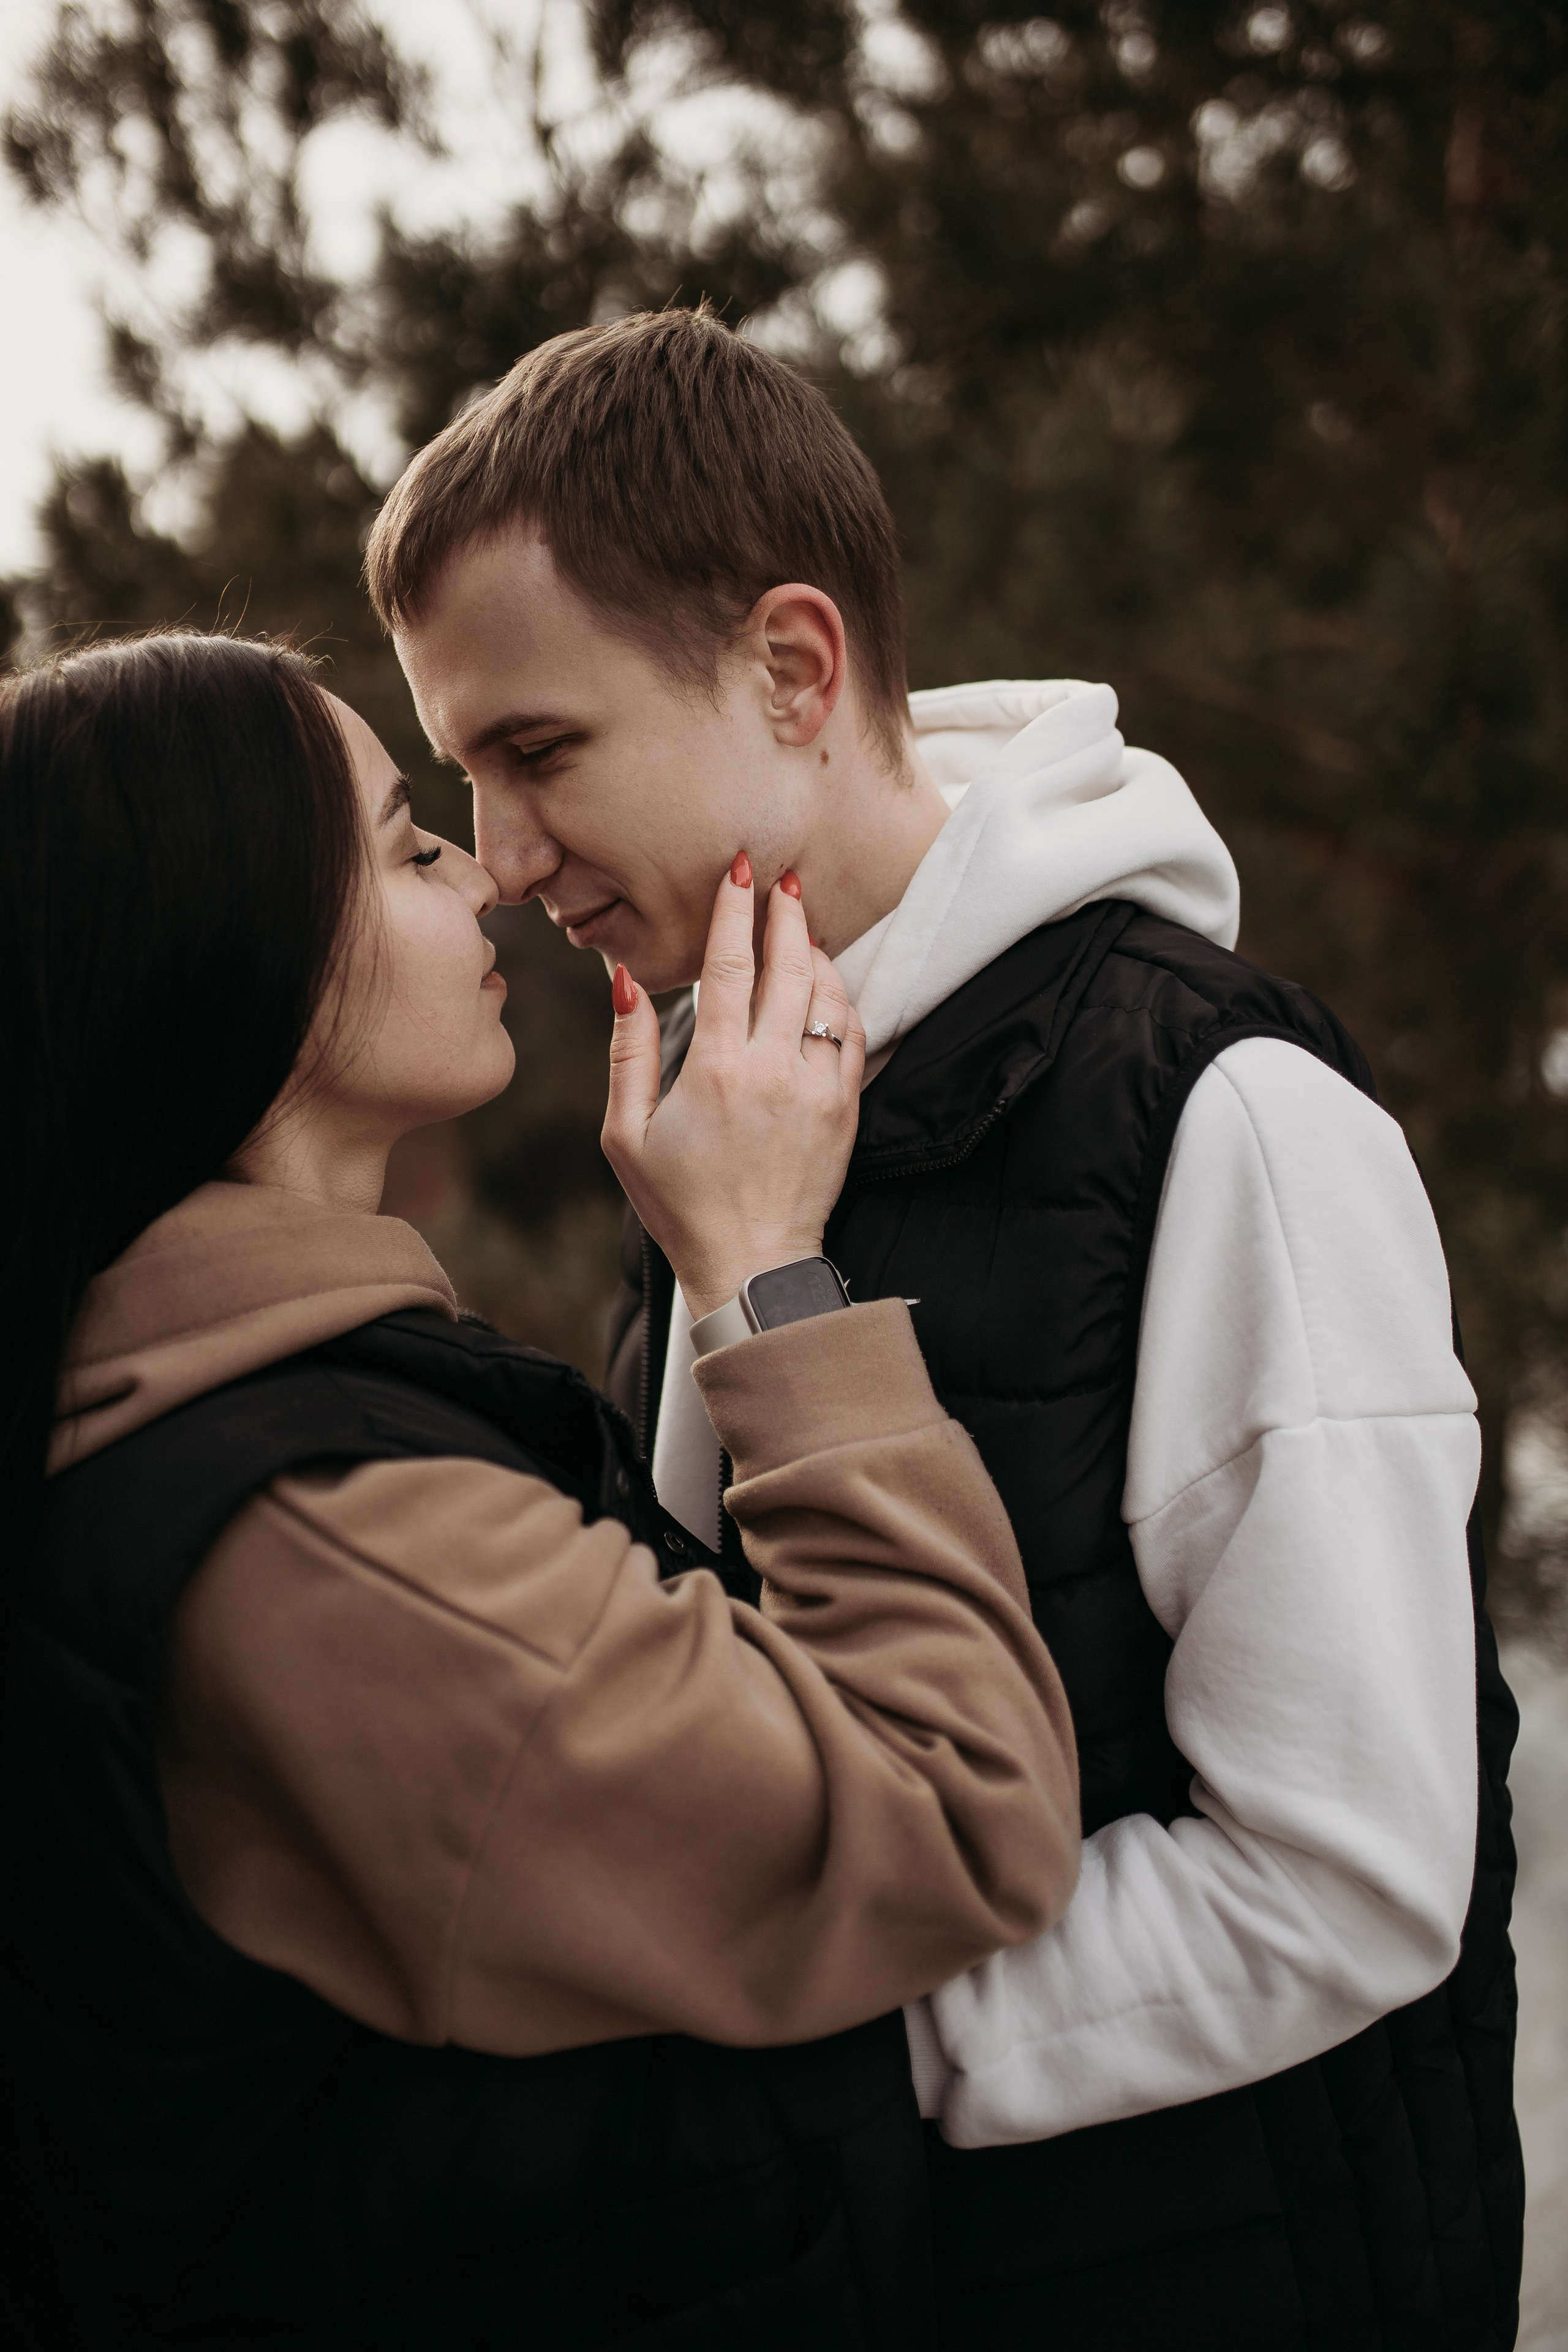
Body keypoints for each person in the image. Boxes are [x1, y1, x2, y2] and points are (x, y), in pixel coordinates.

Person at [369, 304, 1524, 2350]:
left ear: (793, 668)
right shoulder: (735, 1102)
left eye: (539, 752)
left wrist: (764, 2071)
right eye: (467, 776)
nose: (509, 857)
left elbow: (1348, 1877)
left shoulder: (1227, 1117)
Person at [0, 631, 1083, 2350]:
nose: (494, 880)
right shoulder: (320, 1545)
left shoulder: (223, 1420)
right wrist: (766, 1273)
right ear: (242, 950)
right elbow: (951, 1816)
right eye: (411, 846)